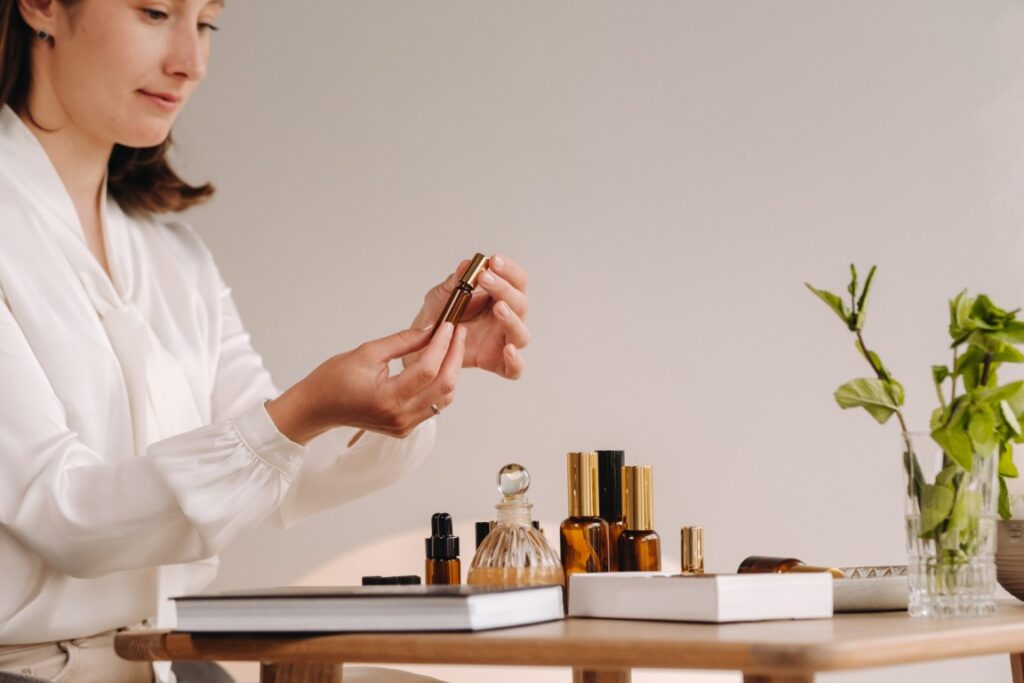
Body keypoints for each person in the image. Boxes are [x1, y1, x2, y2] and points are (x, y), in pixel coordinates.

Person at [0, 0, 531, 681]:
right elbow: (63, 512)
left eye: (207, 22)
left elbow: (277, 473)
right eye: (156, 12)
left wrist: (418, 359)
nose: (189, 61)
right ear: (42, 6)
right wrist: (303, 411)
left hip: (170, 662)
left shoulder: (175, 257)